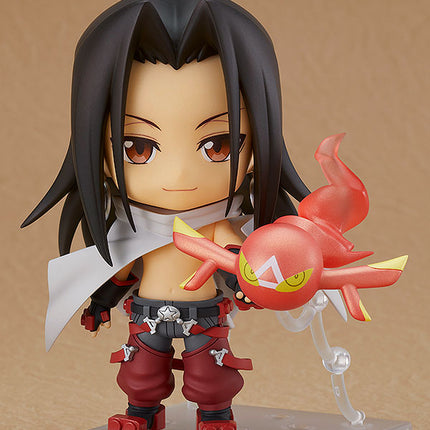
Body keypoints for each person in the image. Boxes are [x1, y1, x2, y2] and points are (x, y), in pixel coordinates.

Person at [22, 1, 309, 429]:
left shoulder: (215, 225)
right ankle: (141, 416)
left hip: (204, 317)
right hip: (145, 314)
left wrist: (245, 285)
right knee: (139, 376)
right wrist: (102, 302)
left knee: (211, 377)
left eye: (218, 146)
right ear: (97, 149)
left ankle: (215, 417)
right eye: (137, 148)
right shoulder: (132, 227)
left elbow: (233, 259)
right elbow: (122, 268)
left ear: (257, 146)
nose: (178, 176)